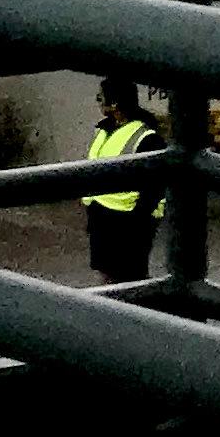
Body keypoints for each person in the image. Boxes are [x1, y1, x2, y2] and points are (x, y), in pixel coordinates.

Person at [84, 78, 161, 283]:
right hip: (102, 215)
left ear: (115, 103)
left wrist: (137, 220)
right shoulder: (102, 130)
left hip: (128, 220)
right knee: (107, 274)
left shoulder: (146, 137)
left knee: (129, 277)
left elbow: (154, 188)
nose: (98, 101)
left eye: (100, 97)